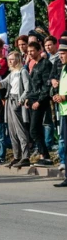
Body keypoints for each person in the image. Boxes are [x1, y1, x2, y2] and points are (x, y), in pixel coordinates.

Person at [0, 52, 31, 169]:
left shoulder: (23, 72)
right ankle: (17, 156)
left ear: (18, 59)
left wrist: (21, 100)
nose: (9, 61)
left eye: (12, 59)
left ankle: (25, 157)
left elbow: (28, 88)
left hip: (17, 101)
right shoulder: (11, 73)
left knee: (20, 129)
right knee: (12, 130)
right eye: (8, 59)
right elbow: (0, 85)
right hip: (9, 101)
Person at [53, 40, 67, 187]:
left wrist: (64, 97)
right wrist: (57, 95)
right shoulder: (63, 69)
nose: (60, 57)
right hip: (64, 110)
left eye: (63, 54)